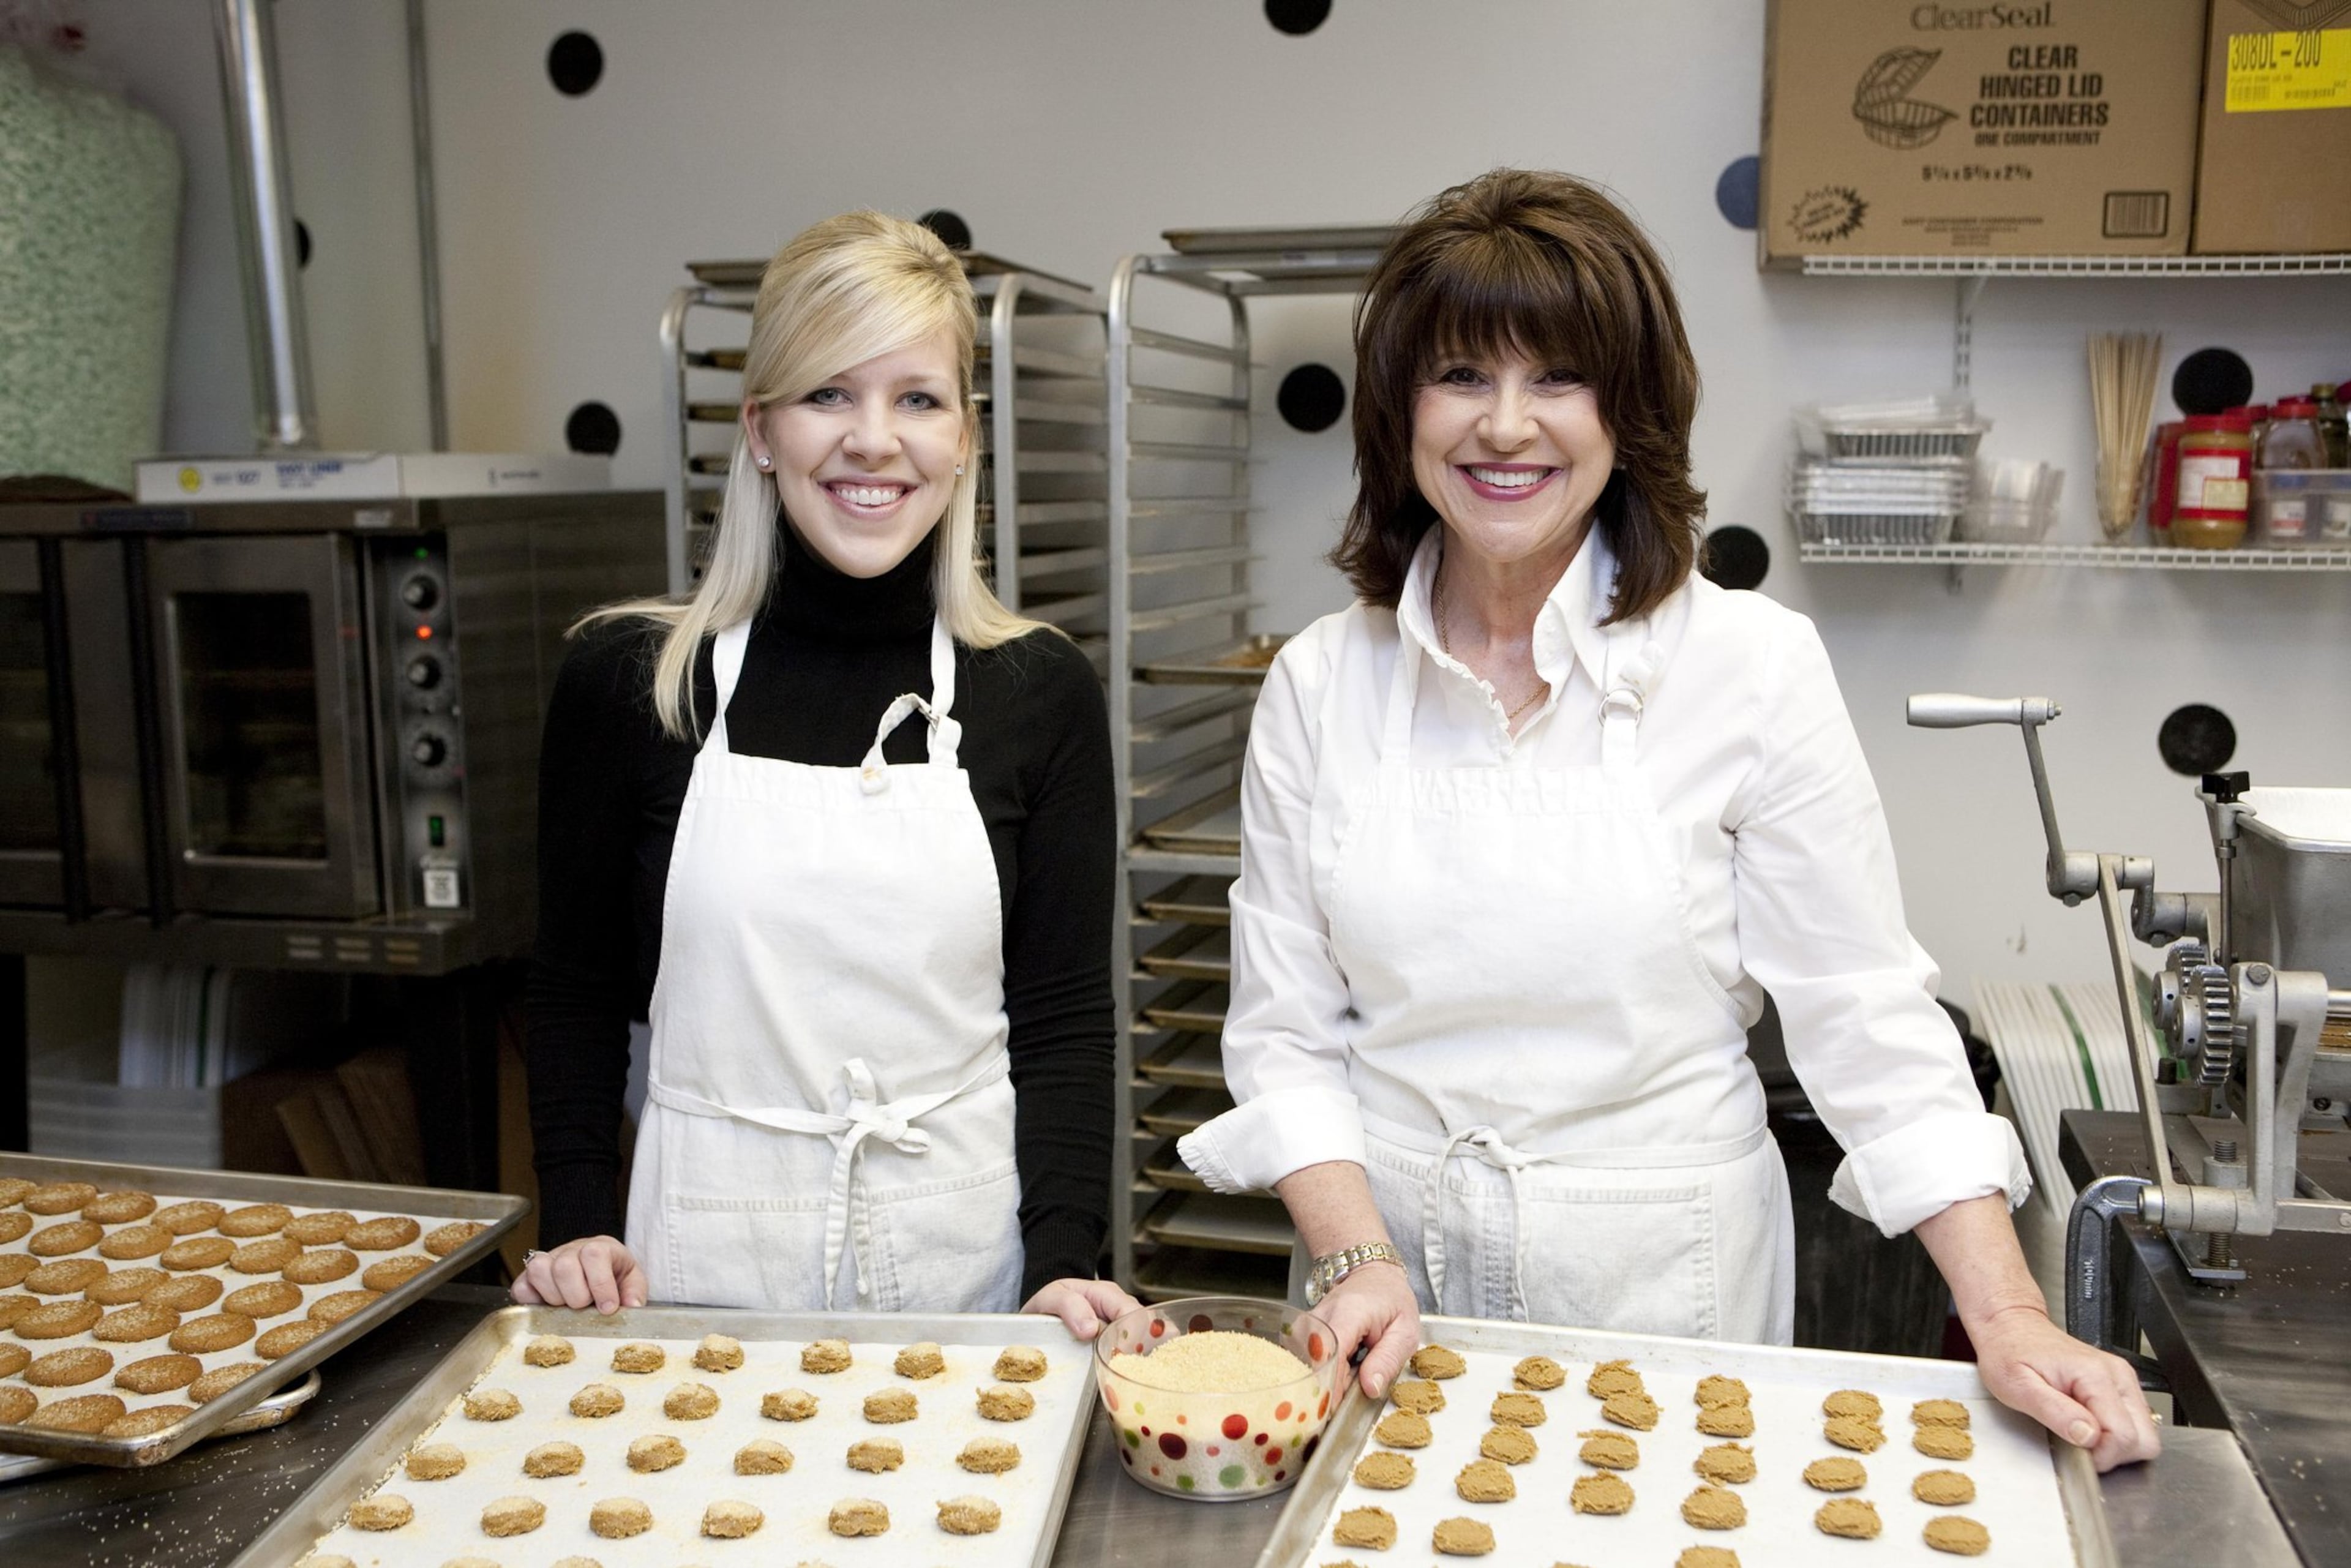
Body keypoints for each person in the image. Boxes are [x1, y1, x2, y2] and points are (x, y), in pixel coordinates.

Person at [1176, 170, 2159, 1469]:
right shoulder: (1322, 679)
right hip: (1383, 1298)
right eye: (1462, 375)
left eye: (1560, 380)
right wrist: (1356, 1256)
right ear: (1400, 411)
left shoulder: (1750, 665)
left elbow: (1864, 1016)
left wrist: (2010, 1314)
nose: (1506, 426)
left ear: (1628, 410)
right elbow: (1289, 1036)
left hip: (1664, 1292)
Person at [519, 211, 1135, 1339]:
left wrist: (1064, 1255)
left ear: (963, 437)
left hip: (967, 1269)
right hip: (697, 1259)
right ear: (760, 430)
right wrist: (573, 1226)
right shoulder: (632, 682)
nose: (873, 440)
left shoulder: (1038, 691)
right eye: (827, 396)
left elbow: (1060, 1023)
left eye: (917, 398)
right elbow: (572, 992)